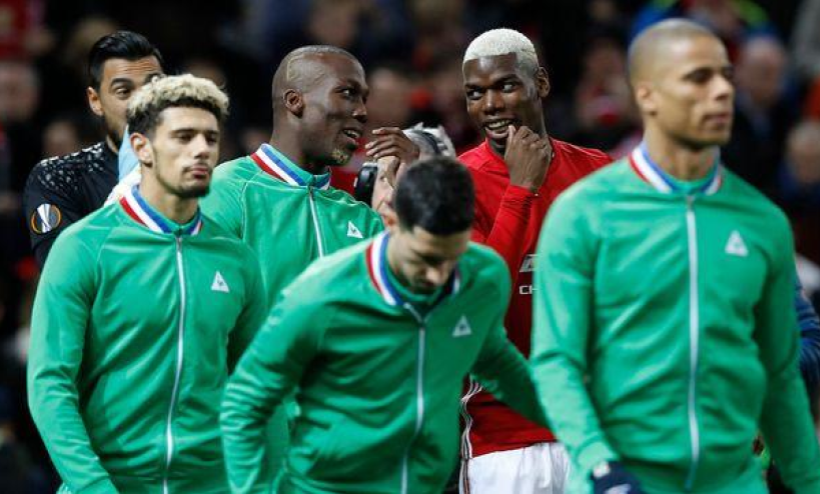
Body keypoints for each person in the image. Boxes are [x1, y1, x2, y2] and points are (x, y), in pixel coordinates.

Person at [532, 19, 820, 494]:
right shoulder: (584, 214)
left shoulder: (762, 221)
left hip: (734, 481)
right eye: (698, 78)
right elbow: (555, 362)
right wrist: (600, 465)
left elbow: (782, 378)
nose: (722, 92)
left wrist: (808, 482)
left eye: (726, 76)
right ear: (647, 95)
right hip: (622, 480)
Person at [220, 157, 546, 494]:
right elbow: (246, 401)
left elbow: (493, 357)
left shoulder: (481, 276)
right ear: (389, 221)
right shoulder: (320, 294)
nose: (438, 276)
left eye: (452, 256)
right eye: (426, 257)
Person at [27, 74, 268, 493]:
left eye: (211, 139)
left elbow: (261, 388)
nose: (201, 150)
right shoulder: (84, 247)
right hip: (108, 484)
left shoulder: (238, 259)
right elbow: (49, 385)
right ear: (141, 147)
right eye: (184, 136)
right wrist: (93, 488)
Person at [200, 44, 384, 484]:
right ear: (295, 101)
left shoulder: (361, 217)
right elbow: (198, 337)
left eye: (363, 99)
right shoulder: (227, 193)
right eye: (347, 94)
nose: (361, 112)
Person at [456, 28, 611, 494]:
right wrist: (521, 191)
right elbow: (479, 303)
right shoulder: (455, 184)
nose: (491, 105)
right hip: (504, 443)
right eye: (475, 94)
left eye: (506, 85)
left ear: (540, 84)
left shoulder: (599, 173)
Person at [23, 31, 164, 268]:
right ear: (95, 101)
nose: (142, 103)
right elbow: (63, 272)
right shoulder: (57, 177)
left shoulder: (199, 171)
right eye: (124, 92)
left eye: (153, 88)